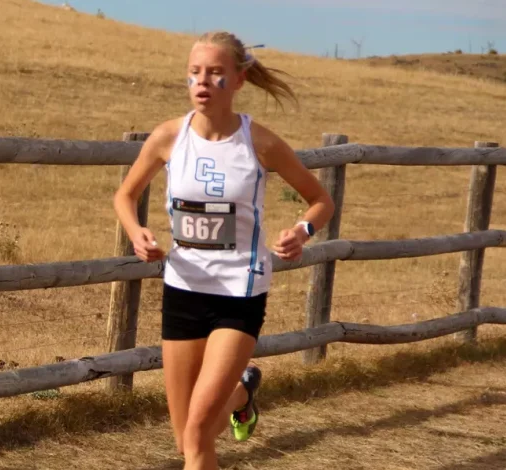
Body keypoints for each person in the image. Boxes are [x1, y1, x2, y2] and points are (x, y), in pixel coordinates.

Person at [113, 31, 335, 470]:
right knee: (185, 441)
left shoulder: (260, 142)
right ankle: (242, 392)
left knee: (197, 436)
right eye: (194, 73)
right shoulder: (168, 137)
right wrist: (137, 231)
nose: (202, 82)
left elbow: (321, 200)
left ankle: (237, 391)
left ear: (238, 80)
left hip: (239, 293)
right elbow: (125, 195)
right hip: (183, 289)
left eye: (215, 73)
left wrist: (303, 230)